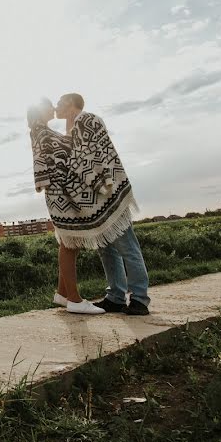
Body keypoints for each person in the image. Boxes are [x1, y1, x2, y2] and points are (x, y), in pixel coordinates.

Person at [53, 93, 151, 315]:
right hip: (95, 203)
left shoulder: (88, 120)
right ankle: (115, 297)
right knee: (106, 250)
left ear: (70, 103)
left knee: (127, 247)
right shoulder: (71, 129)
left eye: (59, 103)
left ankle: (140, 299)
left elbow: (93, 158)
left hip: (108, 193)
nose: (56, 106)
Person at [28, 98, 105, 315]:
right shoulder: (39, 130)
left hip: (60, 192)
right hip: (59, 193)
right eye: (49, 105)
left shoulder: (42, 130)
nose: (53, 108)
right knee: (70, 242)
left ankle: (62, 293)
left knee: (69, 241)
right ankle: (74, 299)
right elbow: (64, 152)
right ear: (39, 110)